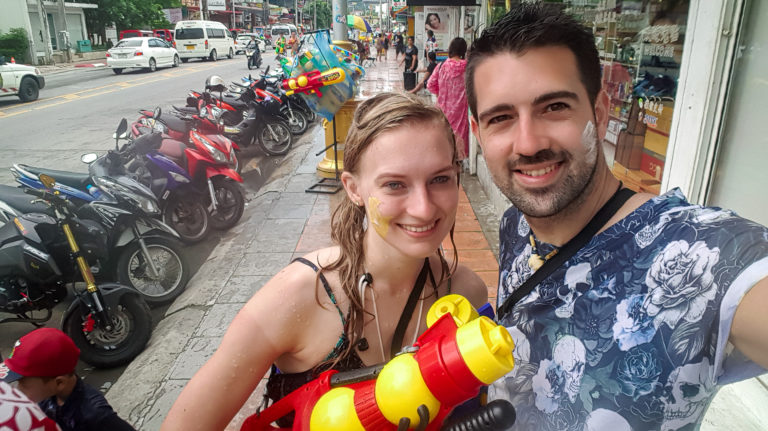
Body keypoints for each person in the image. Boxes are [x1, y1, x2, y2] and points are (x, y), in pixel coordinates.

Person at [466, 4, 768, 431]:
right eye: (501, 118)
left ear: (600, 112)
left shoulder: (699, 254)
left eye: (554, 107)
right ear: (479, 134)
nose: (528, 142)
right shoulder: (517, 223)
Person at [161, 92, 489, 430]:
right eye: (394, 184)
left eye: (439, 179)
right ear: (353, 188)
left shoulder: (465, 294)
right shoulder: (300, 295)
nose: (423, 207)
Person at [0, 328, 135, 431]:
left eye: (23, 383)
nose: (18, 390)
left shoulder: (94, 414)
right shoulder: (48, 398)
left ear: (59, 383)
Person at [428, 37, 469, 161]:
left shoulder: (441, 66)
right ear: (463, 50)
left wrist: (440, 93)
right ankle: (456, 168)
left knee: (443, 140)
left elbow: (430, 84)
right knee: (458, 148)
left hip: (442, 111)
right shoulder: (468, 67)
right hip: (460, 112)